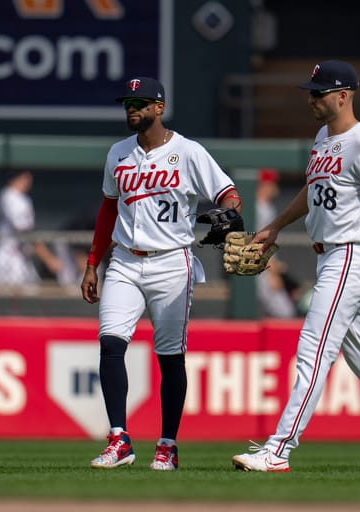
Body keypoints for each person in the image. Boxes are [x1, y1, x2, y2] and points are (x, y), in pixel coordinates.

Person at [231, 60, 360, 473]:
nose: (311, 97)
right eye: (311, 90)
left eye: (319, 91)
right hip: (332, 255)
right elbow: (314, 191)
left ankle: (278, 449)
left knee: (313, 349)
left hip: (351, 255)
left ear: (343, 96)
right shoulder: (324, 136)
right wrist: (274, 226)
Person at [81, 76, 243, 471]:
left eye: (139, 103)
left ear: (159, 108)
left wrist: (231, 213)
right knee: (110, 343)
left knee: (170, 356)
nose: (131, 109)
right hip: (125, 260)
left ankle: (167, 444)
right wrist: (92, 263)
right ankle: (119, 438)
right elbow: (108, 210)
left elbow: (228, 193)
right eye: (127, 103)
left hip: (172, 261)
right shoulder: (118, 153)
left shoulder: (188, 152)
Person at [0, 169, 60, 286]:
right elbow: (26, 232)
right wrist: (48, 259)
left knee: (32, 296)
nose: (30, 180)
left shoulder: (8, 196)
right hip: (11, 258)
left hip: (19, 256)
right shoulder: (13, 198)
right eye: (26, 176)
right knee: (15, 299)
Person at [255, 168, 298, 318]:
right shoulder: (259, 208)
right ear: (264, 184)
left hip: (259, 266)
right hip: (258, 267)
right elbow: (260, 244)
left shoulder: (266, 207)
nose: (275, 187)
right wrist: (272, 273)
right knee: (285, 313)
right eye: (272, 183)